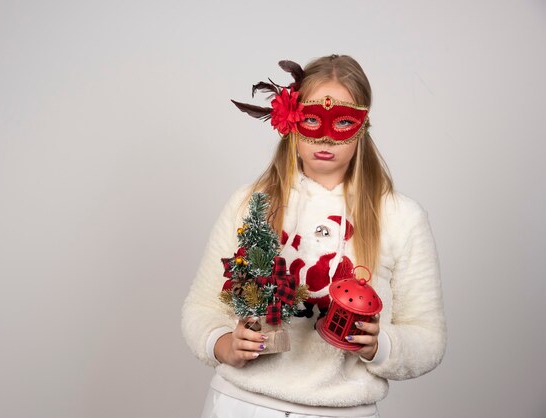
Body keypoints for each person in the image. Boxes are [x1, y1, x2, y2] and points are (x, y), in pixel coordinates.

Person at [181, 54, 446, 418]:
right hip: (243, 404)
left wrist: (379, 345)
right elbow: (202, 307)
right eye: (310, 119)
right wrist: (222, 343)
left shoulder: (401, 218)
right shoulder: (250, 203)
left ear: (362, 126)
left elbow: (428, 338)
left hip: (342, 411)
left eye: (340, 121)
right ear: (290, 120)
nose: (324, 137)